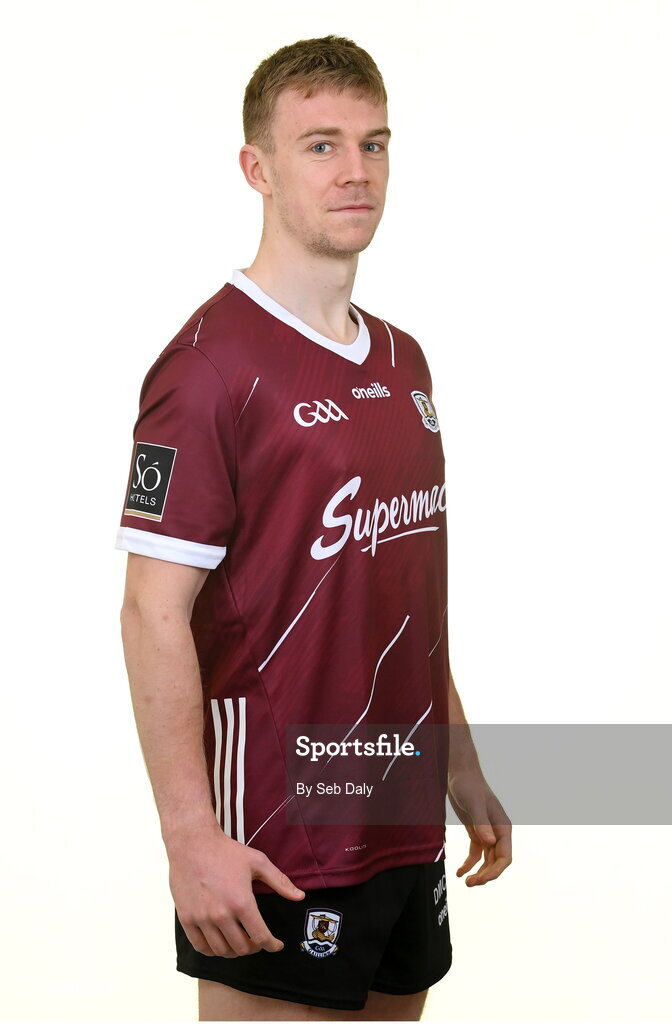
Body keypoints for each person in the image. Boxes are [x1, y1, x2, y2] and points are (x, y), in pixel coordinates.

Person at [116, 33, 512, 1022]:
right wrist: (189, 839)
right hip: (280, 838)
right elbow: (149, 612)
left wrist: (461, 771)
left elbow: (400, 593)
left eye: (374, 145)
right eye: (322, 145)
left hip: (400, 817)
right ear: (258, 168)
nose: (357, 173)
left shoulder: (406, 362)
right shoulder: (208, 368)